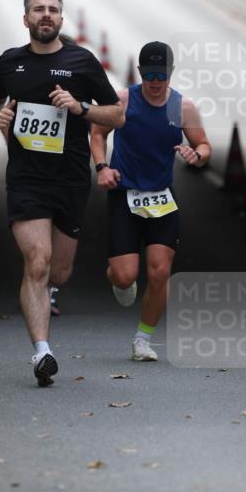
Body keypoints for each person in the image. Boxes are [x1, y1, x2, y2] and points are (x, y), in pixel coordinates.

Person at [0, 0, 124, 387]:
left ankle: (49, 293)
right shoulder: (10, 63)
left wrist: (80, 108)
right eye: (38, 9)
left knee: (59, 270)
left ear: (61, 19)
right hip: (26, 179)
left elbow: (117, 115)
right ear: (25, 18)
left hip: (70, 181)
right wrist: (0, 119)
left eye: (53, 10)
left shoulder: (82, 61)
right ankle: (42, 352)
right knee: (38, 261)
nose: (46, 15)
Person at [90, 41, 211, 362]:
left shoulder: (182, 107)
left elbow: (204, 145)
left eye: (162, 74)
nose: (156, 82)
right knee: (125, 275)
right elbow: (98, 132)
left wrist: (195, 155)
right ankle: (115, 276)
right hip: (124, 195)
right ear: (141, 73)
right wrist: (102, 167)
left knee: (159, 272)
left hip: (161, 199)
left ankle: (143, 340)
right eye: (150, 74)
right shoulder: (123, 100)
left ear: (171, 74)